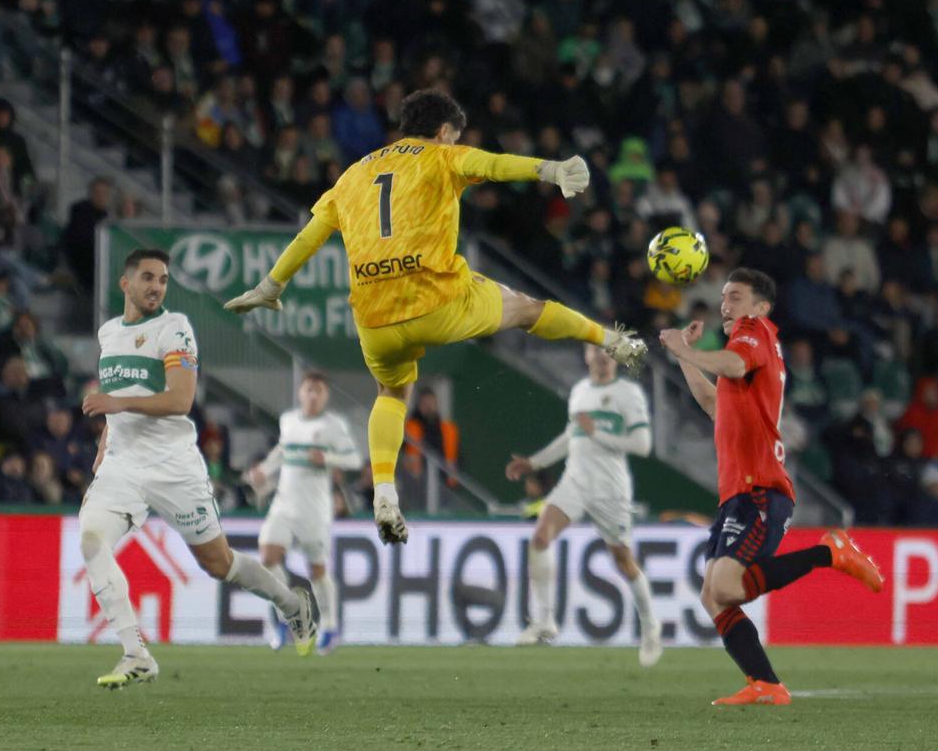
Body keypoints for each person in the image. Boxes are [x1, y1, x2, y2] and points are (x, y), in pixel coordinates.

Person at [224, 88, 647, 547]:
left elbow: (309, 236)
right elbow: (494, 165)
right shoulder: (442, 157)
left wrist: (271, 285)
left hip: (375, 318)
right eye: (455, 137)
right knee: (527, 308)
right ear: (444, 132)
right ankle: (611, 340)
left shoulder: (353, 174)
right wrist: (550, 170)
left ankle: (384, 491)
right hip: (437, 301)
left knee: (392, 392)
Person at [79, 248, 316, 689]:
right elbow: (123, 390)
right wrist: (106, 437)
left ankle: (291, 604)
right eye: (148, 278)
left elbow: (180, 399)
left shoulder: (175, 329)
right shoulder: (108, 333)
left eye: (163, 279)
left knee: (218, 563)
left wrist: (116, 403)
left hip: (174, 467)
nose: (156, 286)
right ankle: (136, 653)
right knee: (92, 540)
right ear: (125, 284)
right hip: (122, 466)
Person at [658, 268, 883, 706]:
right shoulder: (744, 355)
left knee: (725, 588)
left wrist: (686, 348)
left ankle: (830, 552)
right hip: (737, 494)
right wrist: (684, 356)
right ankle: (766, 684)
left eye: (736, 297)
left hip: (758, 488)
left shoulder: (754, 331)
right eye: (724, 296)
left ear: (761, 307)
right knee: (713, 596)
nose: (725, 305)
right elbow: (711, 402)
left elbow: (734, 363)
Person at [505, 344, 662, 666]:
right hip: (575, 481)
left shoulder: (628, 393)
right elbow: (570, 436)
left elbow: (643, 445)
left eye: (609, 350)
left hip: (610, 489)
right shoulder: (579, 391)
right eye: (596, 349)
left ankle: (650, 626)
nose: (603, 355)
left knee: (623, 561)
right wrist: (534, 463)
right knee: (540, 538)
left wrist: (597, 434)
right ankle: (545, 621)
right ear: (587, 355)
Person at [248, 371, 361, 655]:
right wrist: (264, 470)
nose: (313, 395)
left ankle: (330, 627)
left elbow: (354, 459)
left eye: (319, 391)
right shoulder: (288, 420)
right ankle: (286, 619)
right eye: (309, 389)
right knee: (267, 557)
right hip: (284, 503)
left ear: (326, 396)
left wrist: (328, 458)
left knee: (317, 571)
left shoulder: (333, 425)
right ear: (300, 393)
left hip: (315, 509)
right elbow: (282, 450)